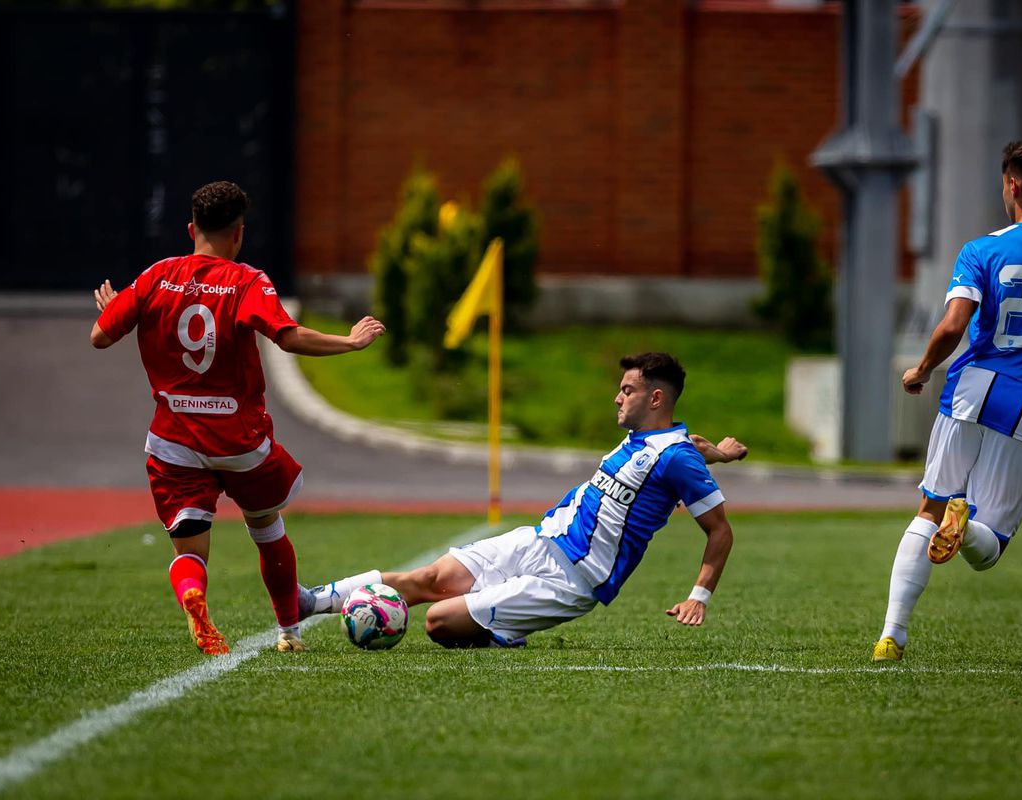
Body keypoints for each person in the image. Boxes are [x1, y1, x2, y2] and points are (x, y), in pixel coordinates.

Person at [91, 180, 386, 656]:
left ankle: (194, 594)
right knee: (266, 527)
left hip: (174, 442)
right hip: (240, 443)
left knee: (190, 552)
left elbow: (100, 337)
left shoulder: (155, 276)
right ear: (239, 234)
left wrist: (116, 311)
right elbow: (286, 336)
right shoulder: (247, 281)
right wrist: (350, 343)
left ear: (191, 228)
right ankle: (289, 632)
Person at [298, 352, 747, 647]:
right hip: (536, 540)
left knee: (438, 621)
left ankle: (507, 629)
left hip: (572, 579)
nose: (617, 396)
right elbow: (691, 446)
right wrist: (720, 454)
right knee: (431, 576)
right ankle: (311, 602)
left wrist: (698, 597)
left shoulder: (676, 457)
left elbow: (719, 529)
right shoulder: (649, 440)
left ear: (655, 397)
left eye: (626, 390)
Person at [873, 141, 1022, 662]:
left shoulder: (982, 249)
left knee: (927, 509)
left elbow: (954, 325)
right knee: (988, 548)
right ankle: (969, 524)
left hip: (974, 388)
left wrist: (921, 369)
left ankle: (893, 634)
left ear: (1012, 185)